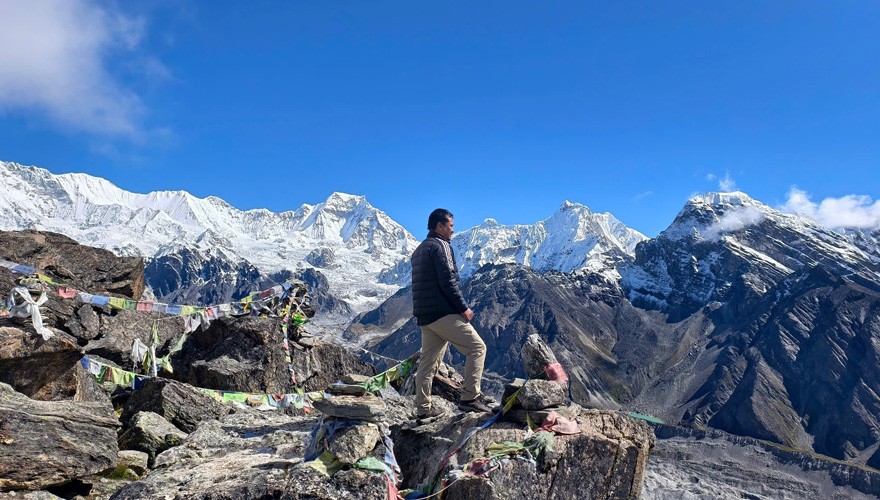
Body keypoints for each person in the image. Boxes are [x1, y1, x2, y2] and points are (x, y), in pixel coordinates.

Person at [411, 208, 494, 420]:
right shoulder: (441, 246)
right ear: (439, 226)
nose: (453, 231)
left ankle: (423, 409)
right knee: (477, 348)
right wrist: (462, 308)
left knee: (428, 364)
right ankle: (470, 398)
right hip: (443, 313)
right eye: (450, 226)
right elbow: (448, 280)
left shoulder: (419, 250)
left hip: (425, 317)